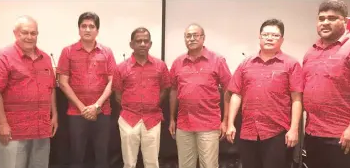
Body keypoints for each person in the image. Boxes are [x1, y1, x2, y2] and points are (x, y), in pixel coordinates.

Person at [302, 0, 350, 168]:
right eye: (321, 18)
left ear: (345, 21)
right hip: (314, 133)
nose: (325, 22)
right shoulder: (311, 51)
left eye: (332, 18)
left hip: (343, 135)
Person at [225, 19, 303, 168]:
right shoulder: (245, 64)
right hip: (248, 131)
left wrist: (294, 129)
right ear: (259, 37)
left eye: (274, 35)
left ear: (282, 40)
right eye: (265, 34)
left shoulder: (291, 64)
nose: (269, 38)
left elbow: (296, 98)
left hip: (277, 132)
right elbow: (236, 94)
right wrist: (230, 124)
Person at [0, 15, 58, 168]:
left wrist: (55, 115)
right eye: (25, 33)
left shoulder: (45, 58)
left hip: (41, 129)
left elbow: (51, 88)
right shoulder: (4, 56)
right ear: (16, 33)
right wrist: (2, 123)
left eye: (33, 33)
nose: (29, 37)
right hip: (14, 131)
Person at [57, 12, 116, 168]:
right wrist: (83, 108)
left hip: (102, 111)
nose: (87, 30)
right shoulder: (67, 51)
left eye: (92, 26)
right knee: (76, 156)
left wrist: (97, 106)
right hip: (76, 112)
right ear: (79, 29)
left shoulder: (107, 52)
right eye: (84, 26)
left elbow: (113, 81)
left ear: (97, 30)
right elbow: (63, 82)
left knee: (102, 156)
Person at [168, 23, 232, 168]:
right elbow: (173, 90)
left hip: (209, 124)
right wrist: (172, 118)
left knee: (209, 165)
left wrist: (225, 120)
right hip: (184, 124)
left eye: (195, 35)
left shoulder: (217, 60)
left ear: (203, 38)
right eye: (188, 36)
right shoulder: (178, 62)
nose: (191, 39)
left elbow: (229, 90)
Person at [113, 27, 170, 168]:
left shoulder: (160, 66)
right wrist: (132, 106)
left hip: (152, 119)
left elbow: (165, 88)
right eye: (139, 41)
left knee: (152, 163)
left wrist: (154, 103)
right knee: (129, 163)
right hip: (128, 118)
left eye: (146, 41)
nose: (143, 44)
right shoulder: (121, 68)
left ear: (150, 44)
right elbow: (118, 95)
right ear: (131, 44)